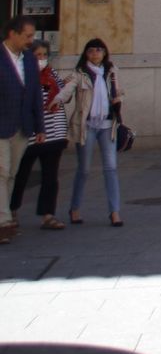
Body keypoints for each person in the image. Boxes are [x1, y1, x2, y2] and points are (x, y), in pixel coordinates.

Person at [54, 38, 123, 227]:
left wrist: (119, 98)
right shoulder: (80, 74)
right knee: (83, 170)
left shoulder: (111, 72)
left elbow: (117, 93)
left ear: (105, 53)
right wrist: (56, 97)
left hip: (108, 125)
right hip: (86, 127)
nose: (95, 54)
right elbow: (67, 91)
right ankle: (75, 208)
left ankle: (114, 212)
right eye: (91, 50)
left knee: (111, 168)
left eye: (99, 50)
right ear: (86, 53)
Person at [9, 40, 68, 231]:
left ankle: (47, 214)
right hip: (30, 134)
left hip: (54, 132)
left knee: (50, 176)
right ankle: (11, 210)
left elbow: (64, 96)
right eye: (37, 55)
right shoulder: (22, 76)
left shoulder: (52, 75)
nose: (41, 59)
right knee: (20, 175)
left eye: (44, 55)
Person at [0, 16, 46, 245]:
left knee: (11, 174)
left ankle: (3, 215)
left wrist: (40, 126)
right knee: (1, 171)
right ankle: (4, 221)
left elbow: (36, 93)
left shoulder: (29, 59)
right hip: (2, 125)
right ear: (12, 33)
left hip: (22, 126)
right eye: (28, 36)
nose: (32, 40)